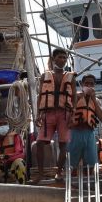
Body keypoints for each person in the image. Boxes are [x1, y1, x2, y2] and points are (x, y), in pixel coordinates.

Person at [35, 48, 77, 183]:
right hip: (48, 113)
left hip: (65, 114)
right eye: (60, 57)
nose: (63, 60)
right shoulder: (45, 76)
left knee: (63, 144)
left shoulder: (70, 77)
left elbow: (74, 96)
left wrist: (73, 113)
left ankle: (59, 172)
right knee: (40, 143)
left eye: (65, 58)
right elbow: (41, 95)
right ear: (53, 59)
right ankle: (41, 173)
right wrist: (37, 114)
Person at [67, 74, 102, 172]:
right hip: (74, 132)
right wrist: (78, 98)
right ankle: (72, 182)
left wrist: (93, 99)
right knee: (71, 164)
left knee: (92, 163)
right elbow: (68, 114)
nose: (89, 86)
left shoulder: (97, 101)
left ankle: (90, 183)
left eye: (91, 84)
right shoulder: (74, 97)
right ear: (82, 84)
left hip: (90, 133)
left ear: (94, 85)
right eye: (86, 83)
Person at [0, 115, 26, 184]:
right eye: (0, 124)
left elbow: (21, 154)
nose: (3, 126)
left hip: (11, 167)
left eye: (5, 123)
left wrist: (6, 157)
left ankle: (21, 187)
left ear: (8, 124)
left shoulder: (15, 136)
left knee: (20, 162)